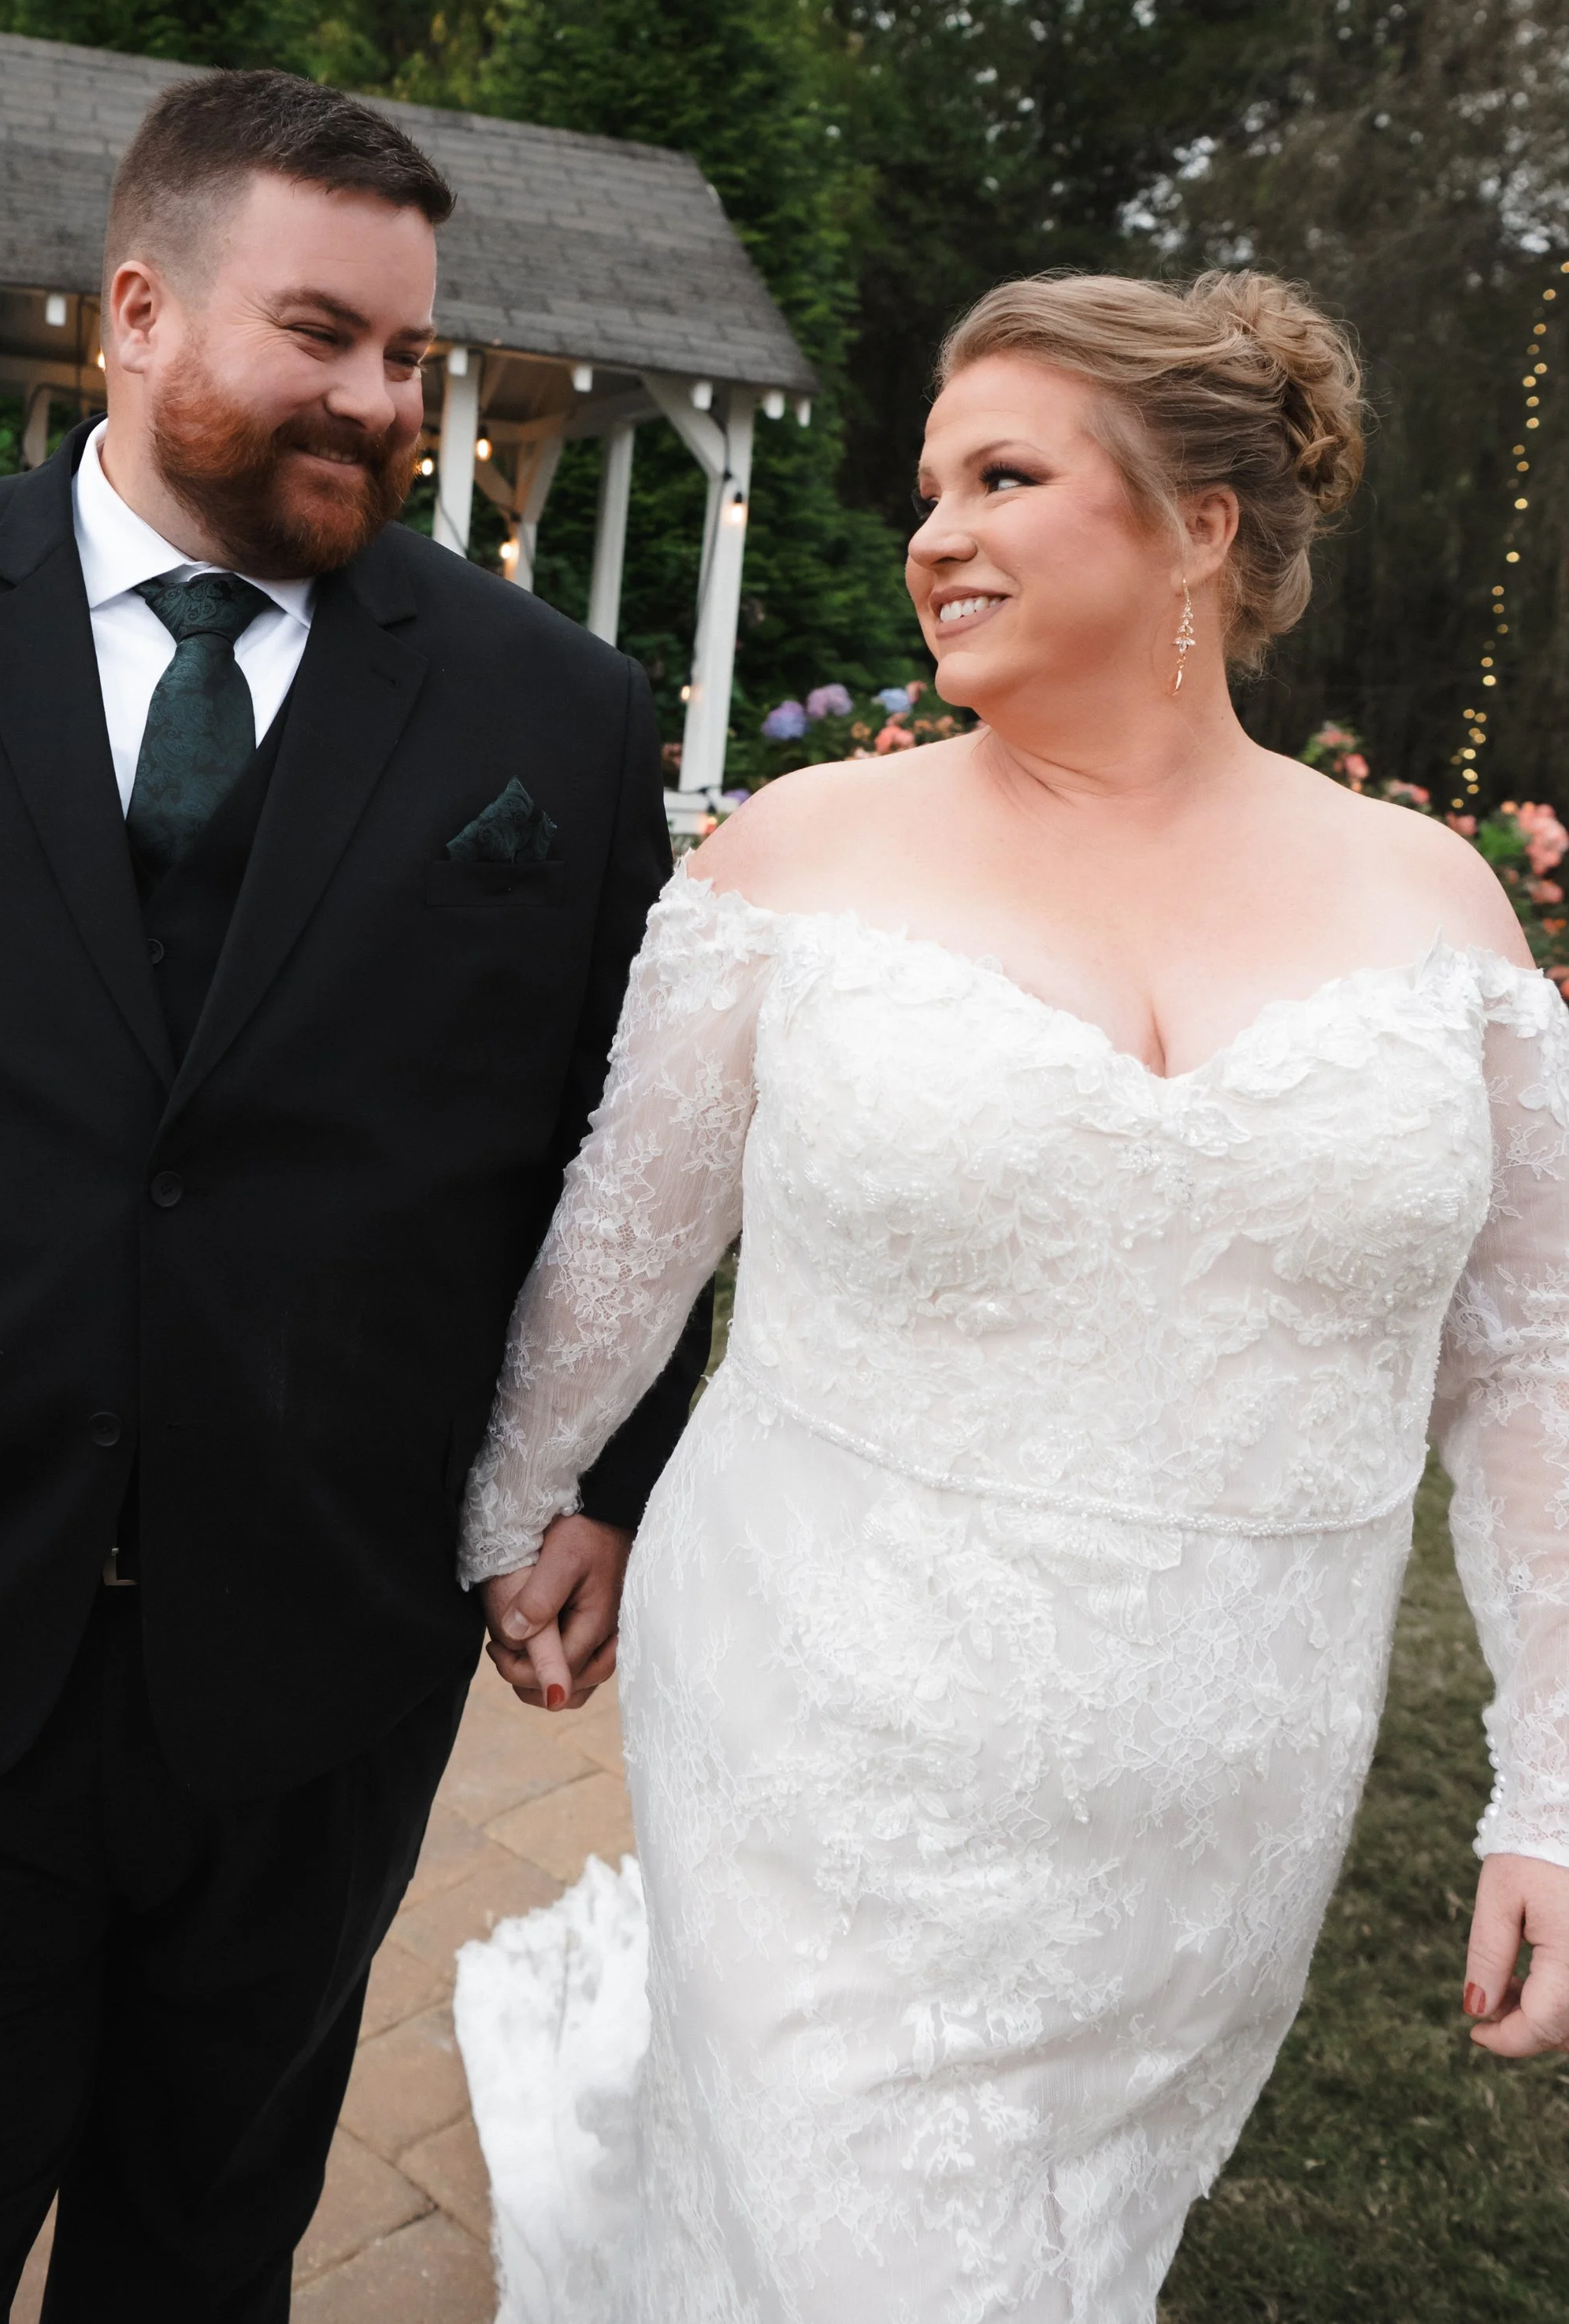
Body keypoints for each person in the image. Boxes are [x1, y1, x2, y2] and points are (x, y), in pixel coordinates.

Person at [0, 68, 709, 2321]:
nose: (383, 399)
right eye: (323, 334)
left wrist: (601, 1470)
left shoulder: (558, 719)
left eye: (409, 353)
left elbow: (635, 1151)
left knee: (202, 2248)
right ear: (134, 306)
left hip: (306, 1680)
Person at [458, 269, 1569, 2324]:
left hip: (1223, 1774)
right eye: (923, 487)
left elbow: (1524, 1377)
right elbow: (619, 1255)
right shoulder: (791, 862)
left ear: (1199, 526)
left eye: (1000, 475)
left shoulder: (1433, 906)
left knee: (1063, 2241)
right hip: (828, 1722)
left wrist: (1552, 1791)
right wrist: (512, 1516)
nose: (930, 533)